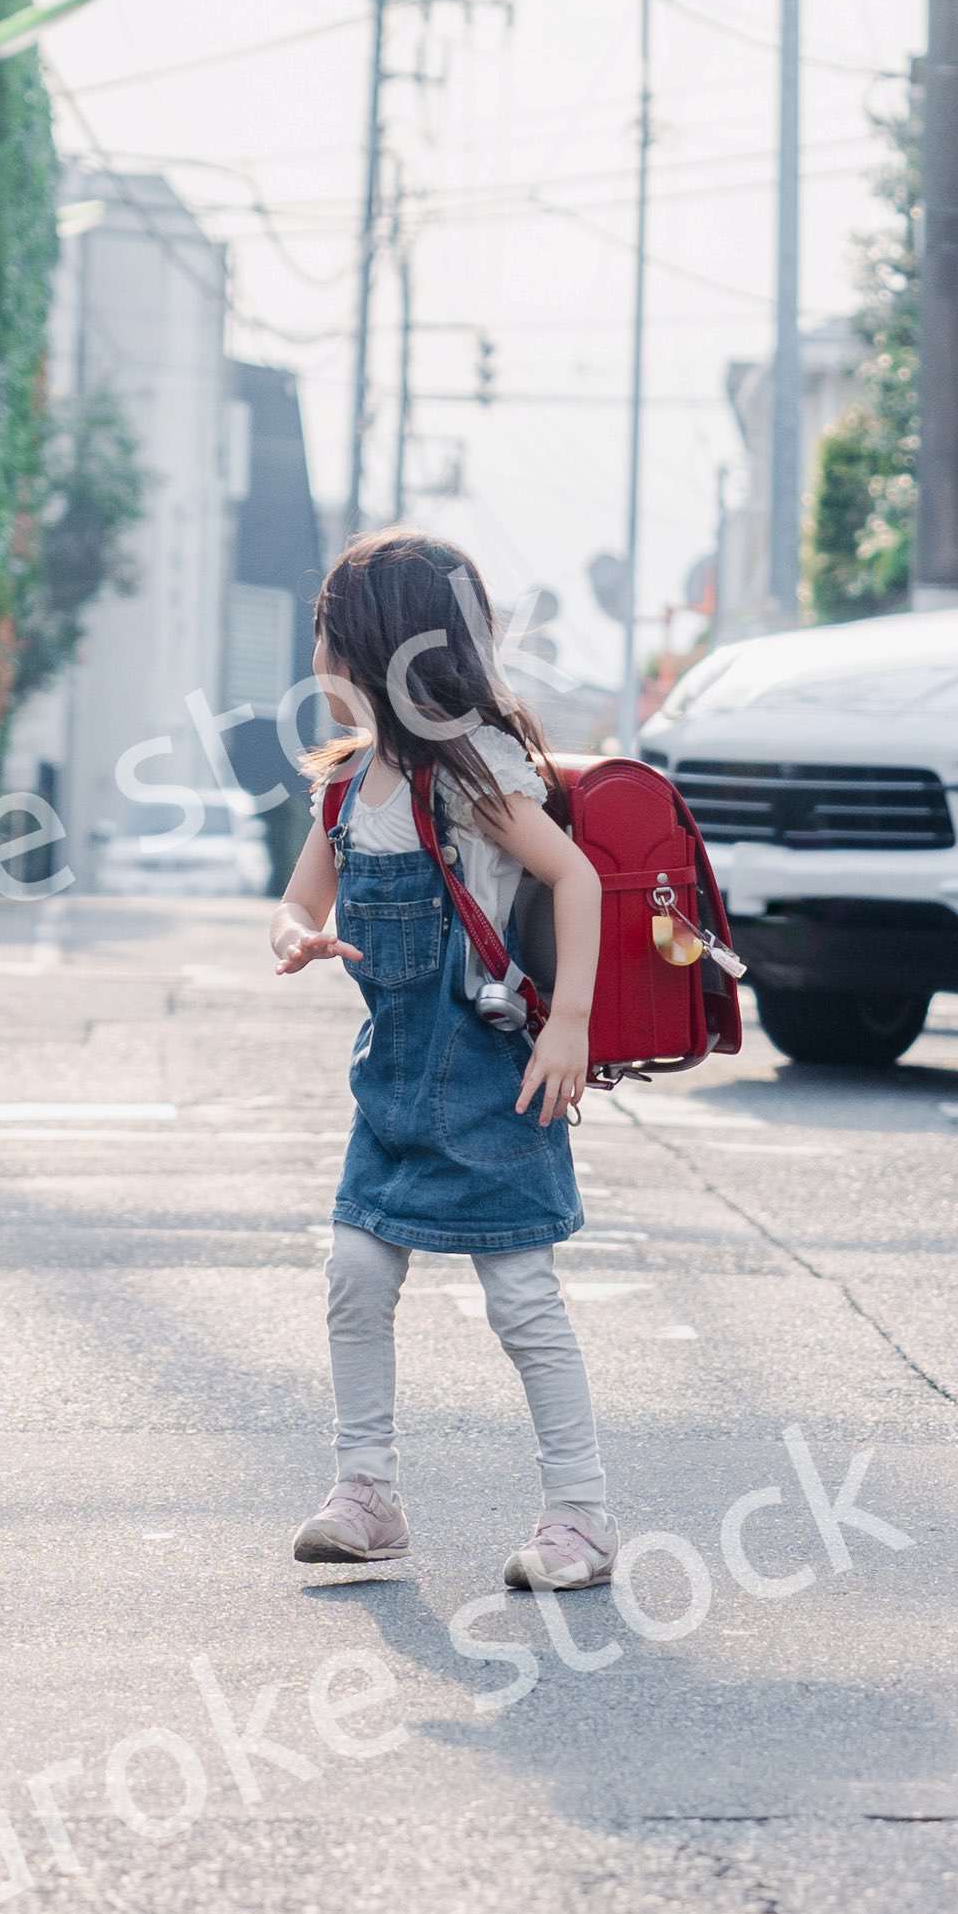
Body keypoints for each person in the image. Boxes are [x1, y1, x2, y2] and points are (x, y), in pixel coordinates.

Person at [265, 529, 618, 1593]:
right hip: (391, 1081)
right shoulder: (344, 787)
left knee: (520, 1297)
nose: (316, 658)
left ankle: (581, 1516)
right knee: (355, 1273)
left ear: (372, 651)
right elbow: (298, 898)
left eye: (326, 636)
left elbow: (579, 881)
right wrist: (296, 936)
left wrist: (572, 1026)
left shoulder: (474, 775)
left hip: (492, 1072)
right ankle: (365, 1493)